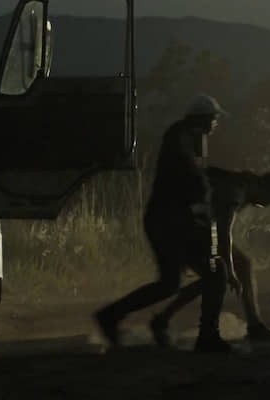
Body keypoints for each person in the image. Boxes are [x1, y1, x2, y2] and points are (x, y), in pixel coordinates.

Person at [94, 93, 235, 353]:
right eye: (214, 119)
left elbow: (196, 176)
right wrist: (204, 196)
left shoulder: (186, 136)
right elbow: (192, 177)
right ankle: (208, 336)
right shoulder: (180, 137)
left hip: (169, 220)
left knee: (172, 283)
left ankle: (110, 316)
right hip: (169, 222)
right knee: (215, 272)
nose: (215, 124)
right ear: (203, 119)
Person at [151, 168, 270, 343]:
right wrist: (232, 273)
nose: (266, 205)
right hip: (181, 226)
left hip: (193, 224)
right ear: (263, 189)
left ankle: (254, 326)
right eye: (268, 200)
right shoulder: (235, 194)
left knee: (236, 267)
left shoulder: (251, 181)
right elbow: (223, 235)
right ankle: (164, 319)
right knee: (216, 276)